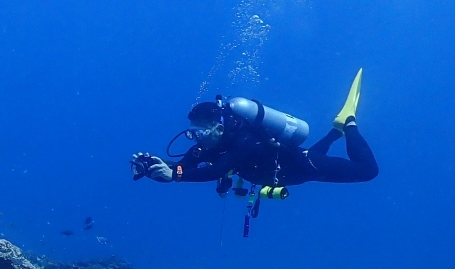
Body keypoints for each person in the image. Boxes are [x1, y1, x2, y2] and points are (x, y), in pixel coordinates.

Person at [131, 70, 378, 187]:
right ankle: (335, 132)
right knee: (316, 163)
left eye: (200, 133)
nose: (197, 140)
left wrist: (176, 175)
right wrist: (154, 164)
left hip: (299, 166)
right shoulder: (208, 145)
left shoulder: (244, 142)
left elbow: (218, 170)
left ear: (219, 126)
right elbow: (185, 167)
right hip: (285, 174)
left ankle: (348, 122)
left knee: (367, 171)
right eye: (193, 133)